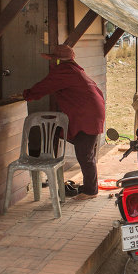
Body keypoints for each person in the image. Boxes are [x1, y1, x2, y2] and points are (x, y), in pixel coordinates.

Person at [22, 44, 104, 199]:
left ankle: (90, 191)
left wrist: (26, 95)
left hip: (87, 115)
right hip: (90, 113)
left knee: (85, 153)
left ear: (57, 59)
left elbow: (44, 86)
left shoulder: (64, 71)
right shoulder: (73, 69)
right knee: (67, 139)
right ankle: (48, 165)